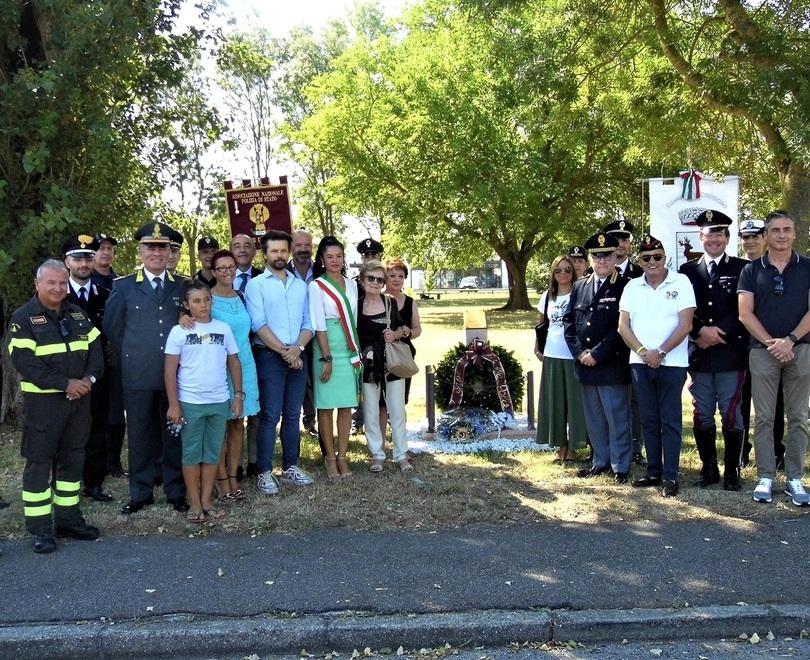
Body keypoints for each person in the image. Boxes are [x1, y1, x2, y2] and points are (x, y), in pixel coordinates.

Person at [8, 259, 104, 553]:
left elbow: (96, 351)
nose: (58, 288)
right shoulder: (23, 318)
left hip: (79, 402)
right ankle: (39, 529)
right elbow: (26, 363)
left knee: (73, 459)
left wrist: (87, 379)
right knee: (39, 463)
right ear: (37, 284)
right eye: (51, 282)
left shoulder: (77, 314)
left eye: (62, 283)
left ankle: (68, 520)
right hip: (44, 405)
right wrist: (66, 384)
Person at [103, 221, 190, 514]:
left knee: (174, 434)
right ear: (140, 251)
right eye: (150, 247)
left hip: (174, 376)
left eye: (162, 248)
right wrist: (135, 352)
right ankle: (141, 493)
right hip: (138, 374)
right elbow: (113, 328)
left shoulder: (182, 285)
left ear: (170, 252)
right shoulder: (124, 286)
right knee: (140, 435)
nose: (156, 253)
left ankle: (176, 491)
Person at [738, 210, 810, 507]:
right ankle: (765, 476)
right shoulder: (751, 270)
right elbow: (745, 314)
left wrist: (790, 340)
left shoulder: (807, 266)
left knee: (799, 417)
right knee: (765, 418)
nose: (782, 235)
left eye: (787, 229)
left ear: (794, 233)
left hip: (800, 349)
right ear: (766, 235)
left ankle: (795, 478)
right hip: (762, 352)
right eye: (775, 230)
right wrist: (772, 343)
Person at [619, 235, 695, 497]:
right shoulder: (632, 286)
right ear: (639, 261)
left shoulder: (681, 282)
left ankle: (670, 476)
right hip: (640, 363)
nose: (652, 261)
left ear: (665, 258)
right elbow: (623, 326)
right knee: (648, 419)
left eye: (657, 256)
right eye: (646, 258)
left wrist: (660, 352)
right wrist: (643, 352)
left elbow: (686, 324)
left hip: (672, 363)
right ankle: (653, 472)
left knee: (670, 420)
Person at [678, 210, 748, 491]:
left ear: (727, 238)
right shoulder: (687, 271)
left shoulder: (742, 268)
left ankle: (732, 471)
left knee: (731, 413)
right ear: (700, 238)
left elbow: (745, 310)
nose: (714, 239)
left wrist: (718, 332)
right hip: (700, 353)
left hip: (730, 352)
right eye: (709, 235)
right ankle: (709, 470)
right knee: (703, 412)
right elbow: (682, 309)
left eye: (719, 234)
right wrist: (699, 331)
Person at [165, 281, 243, 523]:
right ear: (186, 305)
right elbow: (169, 370)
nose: (203, 305)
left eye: (207, 300)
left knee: (212, 452)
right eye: (196, 301)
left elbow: (233, 361)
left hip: (219, 401)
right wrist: (174, 404)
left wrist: (238, 395)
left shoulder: (223, 328)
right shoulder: (179, 331)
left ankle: (207, 499)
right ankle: (194, 501)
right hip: (190, 402)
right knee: (191, 453)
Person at [245, 230, 315, 494]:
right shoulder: (256, 285)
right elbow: (258, 324)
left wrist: (297, 349)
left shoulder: (299, 285)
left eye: (283, 250)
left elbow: (309, 322)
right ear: (265, 254)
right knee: (270, 415)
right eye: (274, 251)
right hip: (269, 356)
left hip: (297, 355)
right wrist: (286, 352)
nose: (279, 255)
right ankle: (264, 471)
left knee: (293, 414)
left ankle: (290, 466)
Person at [563, 233, 632, 483]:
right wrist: (580, 352)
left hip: (611, 363)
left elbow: (621, 327)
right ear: (591, 259)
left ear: (615, 257)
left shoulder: (625, 285)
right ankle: (600, 462)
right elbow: (569, 322)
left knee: (617, 418)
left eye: (607, 256)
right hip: (585, 364)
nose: (602, 261)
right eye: (597, 256)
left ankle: (620, 466)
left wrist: (597, 353)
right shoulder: (580, 285)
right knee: (594, 419)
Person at [63, 234, 113, 503]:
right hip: (66, 376)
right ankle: (67, 480)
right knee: (66, 429)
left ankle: (94, 482)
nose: (83, 264)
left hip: (98, 373)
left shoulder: (106, 294)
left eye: (88, 258)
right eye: (77, 258)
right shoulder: (58, 294)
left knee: (97, 426)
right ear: (67, 262)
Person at [209, 250, 260, 500]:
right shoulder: (207, 299)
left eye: (231, 267)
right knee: (220, 424)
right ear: (213, 271)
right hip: (219, 367)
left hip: (245, 364)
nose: (228, 272)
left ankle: (232, 476)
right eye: (222, 268)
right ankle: (219, 479)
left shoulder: (240, 295)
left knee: (238, 422)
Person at [309, 236, 361, 480]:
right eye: (329, 256)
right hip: (326, 347)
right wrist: (327, 358)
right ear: (321, 259)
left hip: (349, 347)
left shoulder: (352, 285)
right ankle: (330, 458)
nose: (334, 260)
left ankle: (342, 456)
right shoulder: (316, 286)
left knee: (346, 405)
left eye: (339, 256)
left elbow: (354, 320)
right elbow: (318, 324)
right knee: (326, 406)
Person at [356, 261, 412, 473]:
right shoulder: (356, 305)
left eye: (380, 280)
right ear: (362, 280)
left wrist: (395, 334)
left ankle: (401, 455)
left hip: (391, 363)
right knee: (371, 411)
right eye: (371, 278)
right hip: (368, 365)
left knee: (397, 411)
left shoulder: (390, 302)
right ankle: (377, 455)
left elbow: (405, 329)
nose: (375, 283)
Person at [738, 219, 784, 468]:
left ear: (765, 238)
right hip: (742, 347)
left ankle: (776, 452)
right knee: (741, 401)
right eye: (745, 237)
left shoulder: (776, 267)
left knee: (774, 403)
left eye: (754, 236)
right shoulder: (738, 268)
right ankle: (742, 452)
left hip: (771, 347)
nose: (750, 241)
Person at [535, 255, 588, 461]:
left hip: (573, 355)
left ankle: (574, 447)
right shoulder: (548, 296)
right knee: (555, 403)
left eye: (567, 269)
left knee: (575, 404)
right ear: (553, 273)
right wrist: (538, 347)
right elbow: (542, 324)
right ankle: (560, 446)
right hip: (552, 354)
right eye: (558, 270)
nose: (563, 274)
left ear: (573, 272)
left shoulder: (580, 292)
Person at [91, 233, 126, 478]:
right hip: (91, 352)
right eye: (101, 248)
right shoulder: (84, 280)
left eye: (109, 249)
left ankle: (114, 462)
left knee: (116, 410)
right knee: (93, 411)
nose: (105, 252)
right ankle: (95, 460)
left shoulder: (120, 281)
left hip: (115, 351)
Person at [230, 233, 264, 477]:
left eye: (247, 246)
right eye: (237, 246)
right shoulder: (219, 279)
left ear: (254, 250)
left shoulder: (263, 278)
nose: (242, 250)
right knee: (232, 411)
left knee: (255, 410)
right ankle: (234, 464)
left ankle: (253, 460)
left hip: (259, 350)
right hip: (229, 355)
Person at [351, 237, 385, 436]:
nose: (370, 258)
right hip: (359, 340)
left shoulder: (383, 280)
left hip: (381, 342)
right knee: (360, 384)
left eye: (374, 255)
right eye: (366, 255)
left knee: (380, 386)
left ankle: (382, 420)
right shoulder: (353, 284)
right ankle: (358, 420)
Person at [287, 229, 318, 438]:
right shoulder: (282, 271)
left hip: (319, 334)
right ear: (291, 248)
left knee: (315, 379)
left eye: (307, 245)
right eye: (298, 245)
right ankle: (301, 421)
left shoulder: (321, 271)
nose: (303, 249)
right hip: (292, 336)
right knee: (297, 379)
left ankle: (313, 420)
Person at [384, 258, 422, 407]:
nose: (397, 279)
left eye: (401, 276)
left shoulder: (410, 302)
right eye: (392, 275)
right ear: (385, 277)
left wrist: (405, 333)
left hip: (403, 356)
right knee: (382, 400)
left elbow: (417, 329)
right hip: (382, 355)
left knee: (400, 400)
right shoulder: (377, 299)